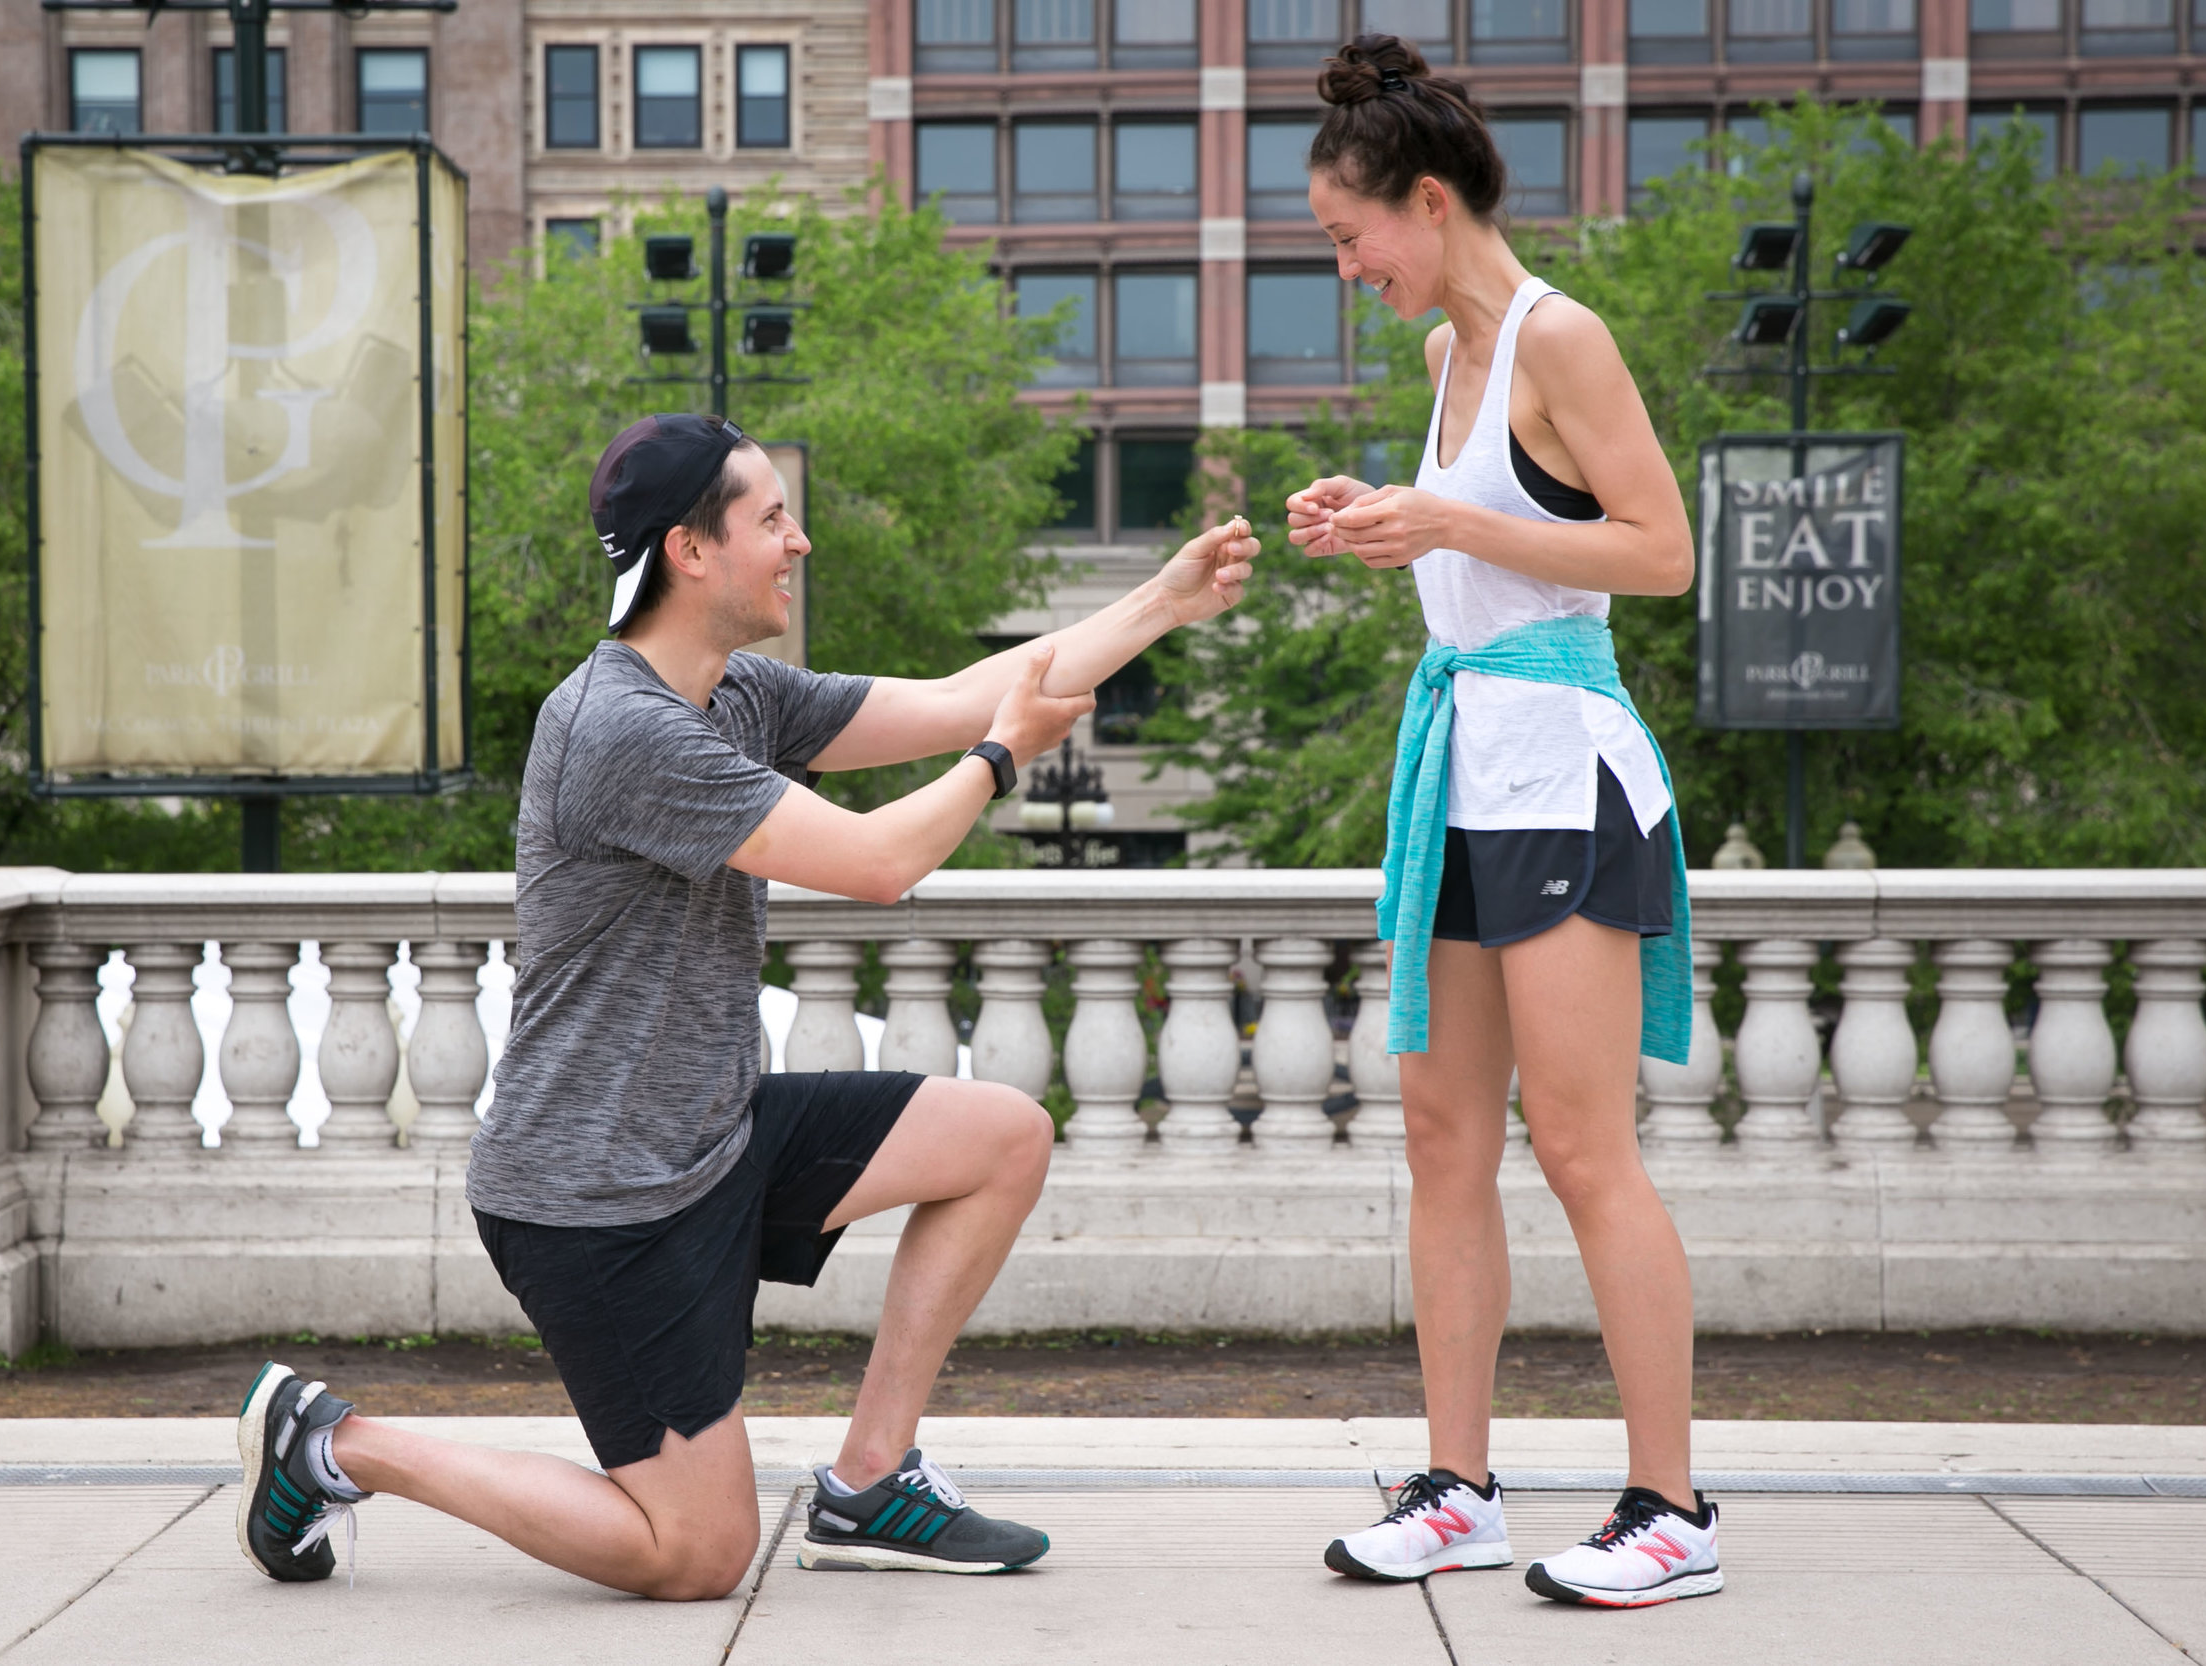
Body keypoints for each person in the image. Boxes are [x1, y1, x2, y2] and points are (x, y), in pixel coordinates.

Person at [231, 412, 1258, 1600]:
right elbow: (880, 862)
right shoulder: (621, 727)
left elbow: (972, 689)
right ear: (690, 551)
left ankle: (870, 1483)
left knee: (1001, 1138)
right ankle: (332, 1442)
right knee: (696, 1554)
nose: (799, 540)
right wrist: (997, 760)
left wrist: (1161, 604)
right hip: (597, 1197)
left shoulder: (739, 693)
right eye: (771, 518)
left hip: (713, 1136)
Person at [1284, 37, 1723, 1610]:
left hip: (1563, 765)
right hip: (1467, 764)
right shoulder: (1441, 363)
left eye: (1350, 239)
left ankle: (1673, 1509)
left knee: (1584, 1145)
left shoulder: (1562, 336)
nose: (1346, 269)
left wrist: (1456, 519)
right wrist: (1383, 520)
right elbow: (1486, 558)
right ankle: (1459, 1484)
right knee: (1441, 1135)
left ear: (1423, 199)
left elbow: (1663, 550)